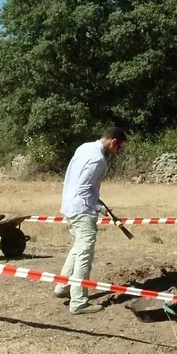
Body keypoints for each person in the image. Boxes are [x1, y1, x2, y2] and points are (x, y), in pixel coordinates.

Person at [53, 126, 127, 314]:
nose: (118, 152)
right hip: (82, 210)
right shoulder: (98, 159)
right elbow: (84, 189)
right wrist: (98, 207)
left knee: (78, 248)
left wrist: (100, 206)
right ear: (114, 142)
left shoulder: (84, 147)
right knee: (85, 253)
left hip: (71, 207)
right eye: (119, 148)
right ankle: (78, 302)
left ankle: (62, 287)